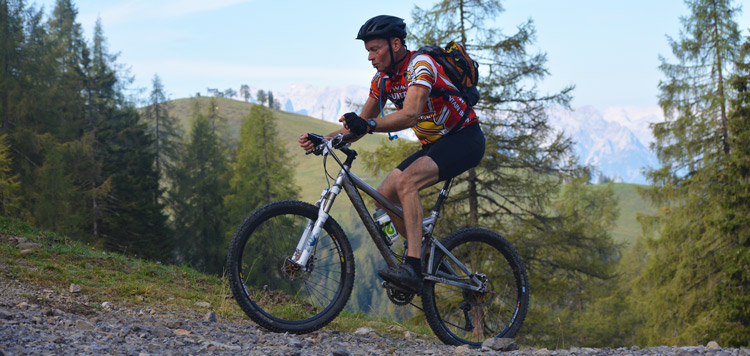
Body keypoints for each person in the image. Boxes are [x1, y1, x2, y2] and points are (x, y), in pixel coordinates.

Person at [298, 15, 485, 293]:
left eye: (375, 50)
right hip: (435, 144)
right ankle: (425, 256)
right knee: (383, 196)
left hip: (465, 139)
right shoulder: (382, 80)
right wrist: (323, 139)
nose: (370, 57)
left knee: (406, 183)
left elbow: (410, 115)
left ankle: (412, 264)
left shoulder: (421, 66)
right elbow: (359, 125)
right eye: (368, 51)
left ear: (395, 44)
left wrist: (370, 124)